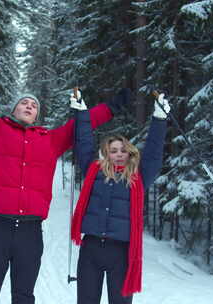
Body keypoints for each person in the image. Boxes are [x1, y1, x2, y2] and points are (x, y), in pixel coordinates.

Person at [0, 25, 130, 304]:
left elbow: (81, 125)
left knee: (24, 296)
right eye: (24, 103)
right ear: (13, 109)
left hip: (30, 232)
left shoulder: (49, 141)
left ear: (37, 114)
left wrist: (111, 108)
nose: (29, 106)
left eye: (34, 105)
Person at [70, 90, 170, 304]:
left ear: (130, 153)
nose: (118, 153)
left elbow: (153, 154)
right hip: (92, 247)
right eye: (113, 150)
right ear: (106, 153)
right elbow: (84, 144)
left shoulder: (138, 178)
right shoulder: (93, 171)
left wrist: (160, 119)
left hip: (121, 252)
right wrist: (82, 115)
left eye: (122, 150)